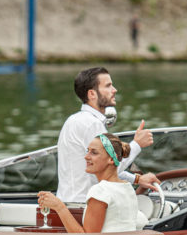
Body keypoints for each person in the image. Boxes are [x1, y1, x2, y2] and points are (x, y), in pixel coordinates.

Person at [56, 67, 159, 203]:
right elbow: (110, 167)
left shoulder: (76, 120)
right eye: (108, 86)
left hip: (69, 203)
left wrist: (137, 179)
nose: (114, 90)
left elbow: (105, 167)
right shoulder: (91, 124)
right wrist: (137, 144)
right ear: (92, 94)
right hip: (82, 206)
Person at [40, 133, 143, 233]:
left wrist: (59, 207)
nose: (86, 157)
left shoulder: (100, 191)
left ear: (111, 159)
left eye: (94, 153)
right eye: (87, 151)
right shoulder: (127, 187)